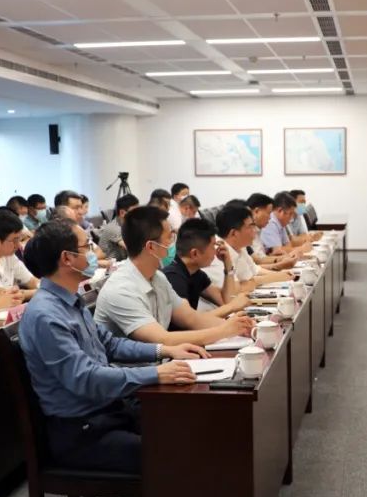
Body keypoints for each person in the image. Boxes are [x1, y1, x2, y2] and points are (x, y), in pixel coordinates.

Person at [19, 218, 203, 480]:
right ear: (67, 258)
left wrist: (164, 350)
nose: (94, 253)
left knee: (189, 424)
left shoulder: (70, 300)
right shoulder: (46, 315)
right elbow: (85, 378)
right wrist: (156, 374)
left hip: (108, 411)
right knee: (176, 451)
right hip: (81, 431)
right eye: (86, 246)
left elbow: (109, 343)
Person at [94, 207, 254, 346]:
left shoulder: (158, 278)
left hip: (161, 362)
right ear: (151, 247)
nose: (174, 243)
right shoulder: (121, 289)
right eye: (170, 237)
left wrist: (239, 326)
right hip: (133, 369)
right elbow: (162, 339)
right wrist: (224, 330)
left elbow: (192, 319)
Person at [164, 218, 249, 318]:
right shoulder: (173, 277)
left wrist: (228, 265)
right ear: (195, 253)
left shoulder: (196, 273)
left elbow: (225, 300)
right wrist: (232, 306)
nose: (216, 251)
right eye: (213, 246)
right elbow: (189, 320)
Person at [215, 205, 292, 292]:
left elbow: (254, 270)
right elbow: (239, 287)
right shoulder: (219, 252)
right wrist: (276, 277)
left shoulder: (240, 246)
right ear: (234, 233)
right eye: (251, 226)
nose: (255, 230)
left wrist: (279, 274)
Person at [0, 210, 40, 297]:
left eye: (20, 239)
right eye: (15, 240)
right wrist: (41, 292)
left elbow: (31, 281)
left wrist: (42, 288)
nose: (18, 245)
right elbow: (3, 297)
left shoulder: (8, 255)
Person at [99, 193, 139, 261]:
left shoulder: (128, 226)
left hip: (120, 262)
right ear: (122, 213)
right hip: (108, 264)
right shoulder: (114, 228)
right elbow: (133, 250)